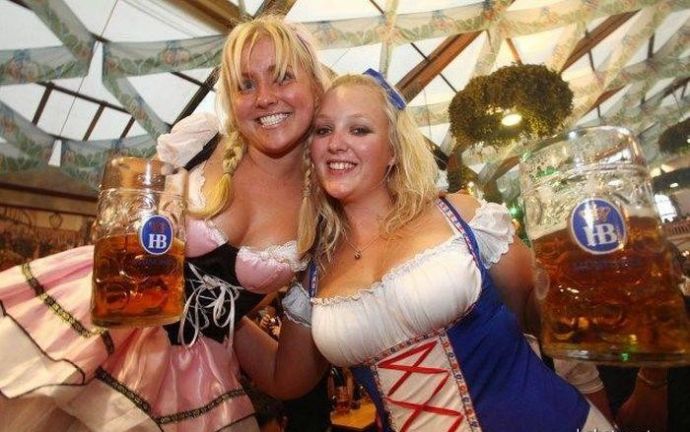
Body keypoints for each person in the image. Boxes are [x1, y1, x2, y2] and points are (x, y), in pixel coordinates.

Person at [0, 15, 329, 432]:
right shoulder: (200, 143)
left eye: (282, 77)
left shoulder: (325, 211)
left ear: (316, 85)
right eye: (246, 84)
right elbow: (127, 229)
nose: (264, 97)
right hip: (104, 322)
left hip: (192, 376)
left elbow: (286, 379)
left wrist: (227, 319)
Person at [247, 72, 615, 431]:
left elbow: (537, 316)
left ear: (393, 150)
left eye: (359, 129)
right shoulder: (313, 272)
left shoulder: (462, 217)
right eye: (323, 130)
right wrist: (221, 312)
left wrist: (577, 279)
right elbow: (285, 379)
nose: (335, 143)